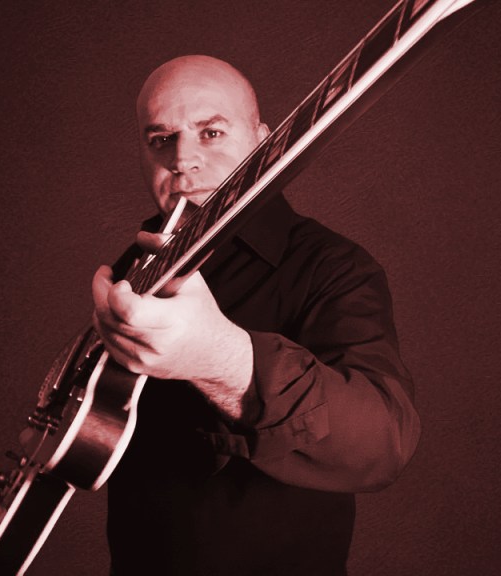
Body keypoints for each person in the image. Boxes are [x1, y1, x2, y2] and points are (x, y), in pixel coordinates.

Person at [90, 54, 421, 576]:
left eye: (211, 133)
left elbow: (384, 443)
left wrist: (221, 359)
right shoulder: (136, 265)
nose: (182, 160)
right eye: (161, 139)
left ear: (263, 143)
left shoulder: (334, 266)